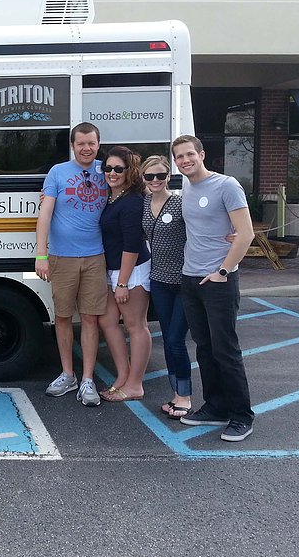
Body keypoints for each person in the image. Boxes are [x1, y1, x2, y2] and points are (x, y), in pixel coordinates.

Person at [172, 134, 256, 442]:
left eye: (189, 154)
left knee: (225, 349)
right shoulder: (187, 188)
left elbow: (246, 233)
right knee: (204, 348)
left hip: (218, 280)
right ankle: (216, 406)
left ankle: (242, 416)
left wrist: (222, 271)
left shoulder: (226, 185)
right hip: (191, 278)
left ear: (202, 154)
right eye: (179, 157)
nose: (185, 160)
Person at [35, 122, 110, 406]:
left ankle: (88, 379)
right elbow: (45, 214)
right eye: (81, 143)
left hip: (96, 256)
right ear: (72, 145)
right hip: (62, 257)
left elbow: (134, 191)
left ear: (98, 144)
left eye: (91, 143)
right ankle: (68, 374)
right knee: (63, 317)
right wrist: (41, 254)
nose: (86, 148)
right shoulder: (58, 172)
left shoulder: (108, 171)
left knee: (90, 318)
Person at [98, 146, 153, 403]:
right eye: (108, 168)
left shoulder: (132, 201)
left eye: (118, 169)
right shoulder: (112, 197)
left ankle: (135, 384)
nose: (112, 173)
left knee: (135, 326)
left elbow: (132, 244)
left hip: (132, 271)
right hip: (113, 270)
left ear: (129, 171)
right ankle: (122, 377)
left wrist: (122, 283)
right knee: (108, 322)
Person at [141, 155, 193, 419]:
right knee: (168, 339)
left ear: (169, 177)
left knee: (175, 340)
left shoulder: (181, 203)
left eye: (161, 175)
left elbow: (204, 226)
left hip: (184, 281)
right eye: (150, 176)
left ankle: (185, 397)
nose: (155, 180)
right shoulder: (144, 202)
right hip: (158, 281)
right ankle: (176, 393)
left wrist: (231, 234)